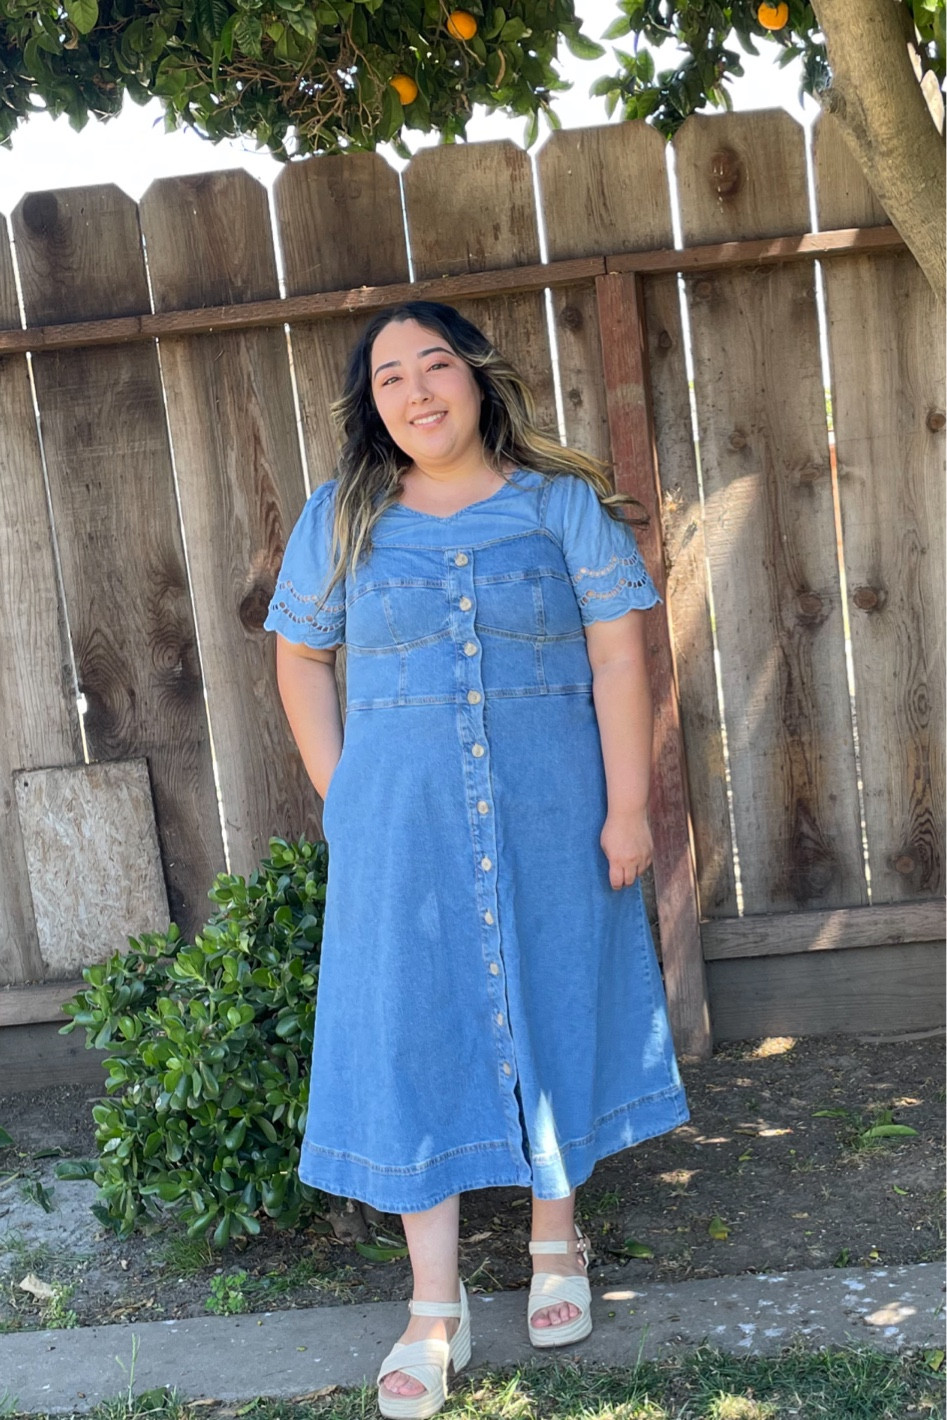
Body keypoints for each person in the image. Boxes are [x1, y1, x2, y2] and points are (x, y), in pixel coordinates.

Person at [264, 301, 689, 1419]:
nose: (414, 390)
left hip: (555, 808)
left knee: (555, 999)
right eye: (389, 377)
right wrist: (342, 790)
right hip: (399, 822)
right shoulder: (342, 515)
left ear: (475, 377)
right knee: (412, 1026)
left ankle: (556, 1246)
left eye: (432, 364)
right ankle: (432, 1308)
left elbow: (616, 657)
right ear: (374, 407)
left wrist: (629, 807)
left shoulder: (559, 506)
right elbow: (300, 657)